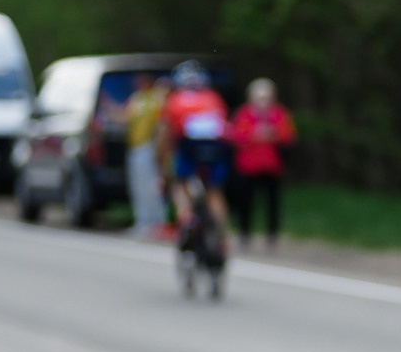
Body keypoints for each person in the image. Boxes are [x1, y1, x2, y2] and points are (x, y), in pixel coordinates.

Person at [158, 61, 232, 236]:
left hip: (188, 147)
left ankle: (186, 217)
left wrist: (162, 159)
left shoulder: (174, 100)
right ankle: (221, 234)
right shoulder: (214, 98)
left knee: (180, 184)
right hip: (216, 148)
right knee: (214, 190)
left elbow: (165, 135)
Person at [227, 78, 298, 250]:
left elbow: (289, 136)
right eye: (259, 97)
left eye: (266, 97)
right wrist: (253, 135)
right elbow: (234, 136)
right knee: (245, 201)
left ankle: (272, 234)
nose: (263, 101)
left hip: (272, 166)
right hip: (248, 166)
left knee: (272, 202)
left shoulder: (279, 113)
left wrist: (274, 135)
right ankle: (244, 232)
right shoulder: (244, 113)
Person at [124, 72, 168, 238]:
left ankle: (157, 221)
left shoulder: (156, 99)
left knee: (152, 185)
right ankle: (142, 221)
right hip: (135, 147)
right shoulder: (136, 99)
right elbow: (125, 117)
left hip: (150, 147)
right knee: (138, 186)